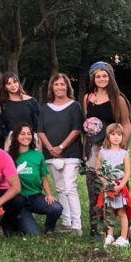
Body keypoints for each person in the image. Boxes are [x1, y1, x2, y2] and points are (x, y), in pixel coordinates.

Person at [83, 61, 131, 238]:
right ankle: (96, 228)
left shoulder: (117, 99)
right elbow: (87, 123)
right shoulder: (87, 97)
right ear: (93, 78)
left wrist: (122, 147)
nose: (101, 78)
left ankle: (126, 228)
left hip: (113, 149)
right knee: (94, 186)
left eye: (105, 75)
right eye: (98, 76)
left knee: (119, 187)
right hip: (94, 149)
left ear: (110, 77)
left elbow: (126, 123)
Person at [37, 73, 84, 235]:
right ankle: (66, 222)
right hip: (51, 155)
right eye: (56, 84)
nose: (59, 87)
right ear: (52, 87)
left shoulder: (75, 106)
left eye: (62, 84)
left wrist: (61, 147)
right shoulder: (44, 109)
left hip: (70, 153)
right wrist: (51, 148)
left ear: (67, 87)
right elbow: (41, 131)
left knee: (70, 187)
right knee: (60, 188)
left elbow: (77, 129)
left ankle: (77, 225)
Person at [9, 123, 62, 236]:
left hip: (35, 197)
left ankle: (49, 229)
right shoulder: (9, 156)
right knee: (34, 234)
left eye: (29, 134)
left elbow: (43, 177)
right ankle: (17, 221)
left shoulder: (38, 155)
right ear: (16, 136)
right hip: (19, 200)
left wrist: (49, 194)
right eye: (22, 133)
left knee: (56, 207)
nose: (26, 136)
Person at [95, 123, 131, 248]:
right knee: (109, 211)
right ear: (108, 136)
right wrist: (105, 182)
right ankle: (110, 234)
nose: (116, 137)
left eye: (119, 134)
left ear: (123, 137)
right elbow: (98, 169)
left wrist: (121, 185)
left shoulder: (124, 153)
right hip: (108, 186)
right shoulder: (103, 152)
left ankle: (124, 237)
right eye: (113, 134)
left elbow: (127, 172)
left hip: (119, 186)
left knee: (122, 211)